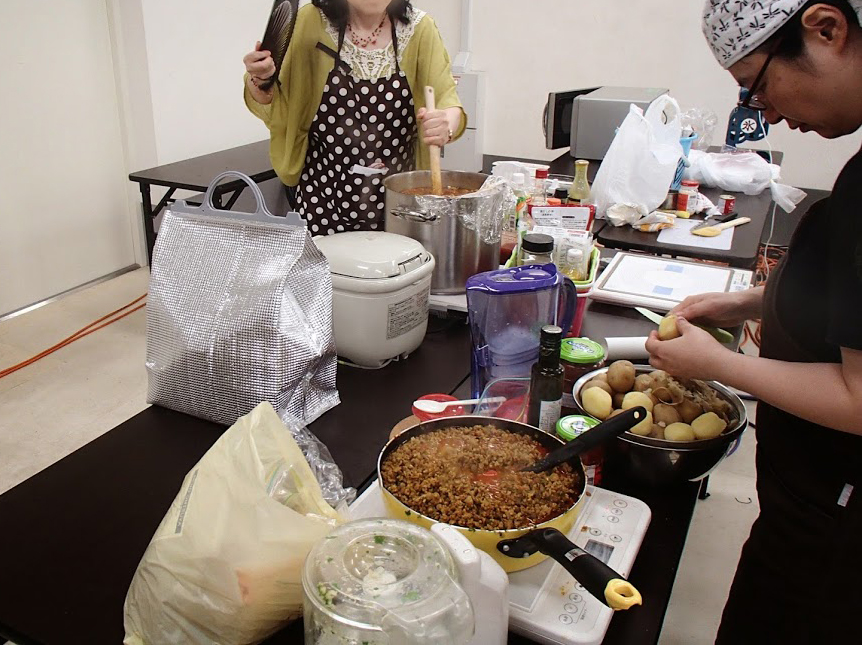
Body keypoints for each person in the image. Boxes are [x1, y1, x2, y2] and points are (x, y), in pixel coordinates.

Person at [647, 2, 862, 642]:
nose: (764, 113)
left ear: (826, 28)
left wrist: (719, 365)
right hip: (806, 495)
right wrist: (748, 303)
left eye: (757, 85)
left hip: (834, 521)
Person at [242, 0, 465, 235]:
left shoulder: (420, 29)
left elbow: (449, 102)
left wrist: (445, 125)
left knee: (398, 258)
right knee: (325, 259)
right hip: (322, 198)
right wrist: (261, 78)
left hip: (400, 205)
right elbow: (276, 100)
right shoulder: (309, 22)